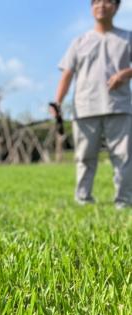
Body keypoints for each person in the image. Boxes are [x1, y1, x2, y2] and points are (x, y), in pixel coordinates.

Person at [51, 0, 132, 208]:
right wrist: (57, 102)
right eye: (96, 2)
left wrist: (125, 73)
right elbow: (67, 75)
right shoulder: (80, 41)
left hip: (119, 106)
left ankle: (124, 201)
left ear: (116, 7)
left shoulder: (127, 38)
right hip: (85, 108)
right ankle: (83, 199)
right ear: (91, 7)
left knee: (123, 157)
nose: (101, 6)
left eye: (107, 2)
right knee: (84, 157)